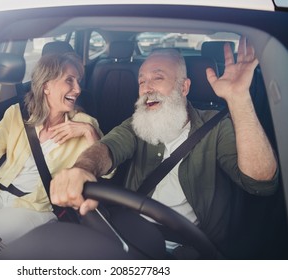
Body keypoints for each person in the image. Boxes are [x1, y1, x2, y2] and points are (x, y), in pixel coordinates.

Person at [49, 37, 279, 251]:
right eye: (141, 81)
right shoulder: (137, 123)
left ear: (184, 87)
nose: (147, 88)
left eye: (157, 78)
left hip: (192, 248)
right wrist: (82, 168)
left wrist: (239, 99)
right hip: (131, 238)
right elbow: (108, 148)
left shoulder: (216, 125)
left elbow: (260, 181)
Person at [0, 52, 102, 245]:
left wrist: (89, 132)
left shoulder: (85, 124)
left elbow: (108, 172)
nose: (77, 89)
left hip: (35, 207)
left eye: (78, 81)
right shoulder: (16, 114)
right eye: (69, 80)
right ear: (46, 86)